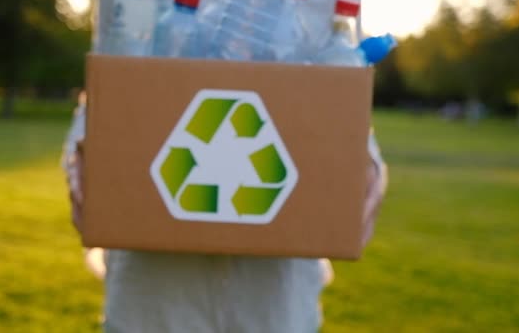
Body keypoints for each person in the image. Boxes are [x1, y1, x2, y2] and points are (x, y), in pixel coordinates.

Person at [63, 95, 387, 332]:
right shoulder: (141, 0)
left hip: (275, 302)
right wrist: (82, 159)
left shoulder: (312, 2)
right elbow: (115, 80)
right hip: (151, 301)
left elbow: (336, 86)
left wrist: (367, 166)